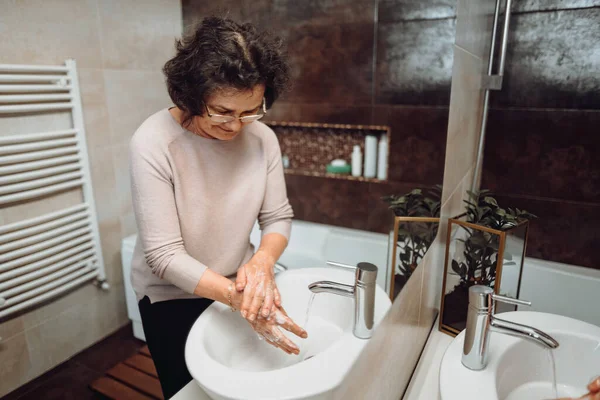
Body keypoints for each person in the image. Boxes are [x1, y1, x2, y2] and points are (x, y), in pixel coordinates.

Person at [128, 16, 307, 399]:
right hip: (171, 299)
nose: (235, 127)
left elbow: (277, 217)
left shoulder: (262, 139)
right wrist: (234, 296)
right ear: (191, 96)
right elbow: (163, 254)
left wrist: (261, 263)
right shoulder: (154, 142)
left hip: (237, 284)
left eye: (250, 111)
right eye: (222, 111)